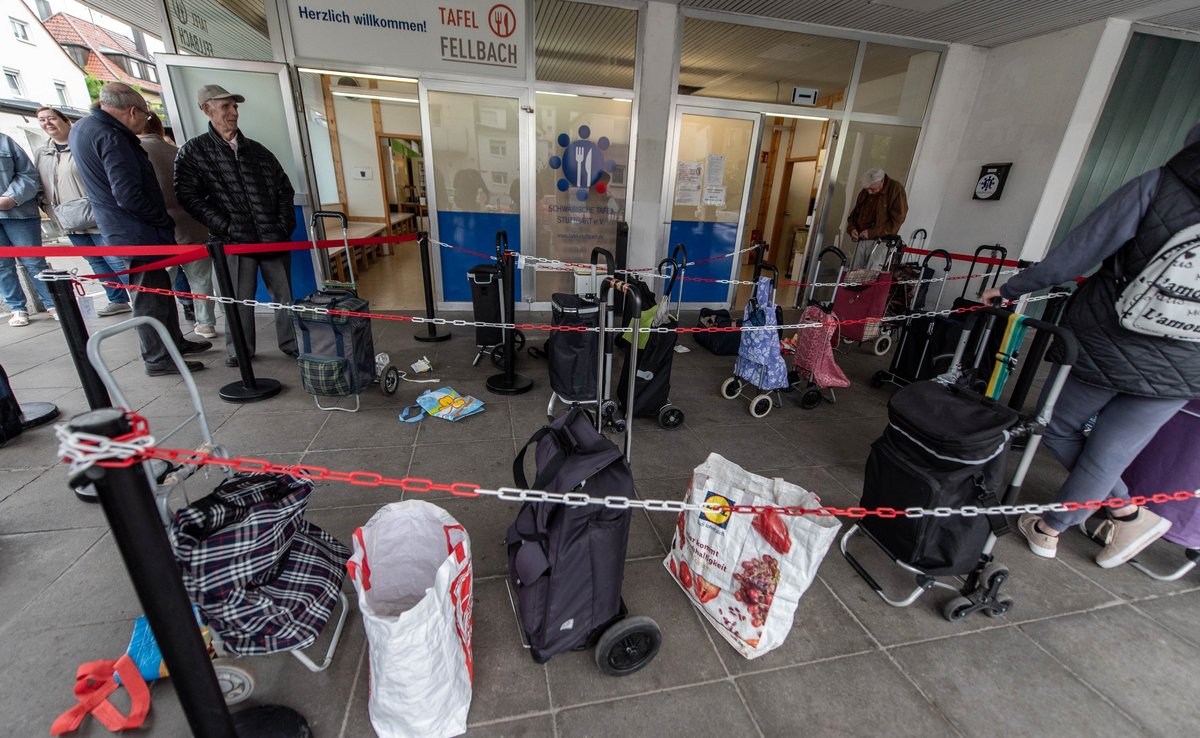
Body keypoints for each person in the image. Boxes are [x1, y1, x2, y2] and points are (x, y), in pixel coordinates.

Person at [982, 121, 1200, 570]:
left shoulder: (1161, 186)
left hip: (1108, 344)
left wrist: (1012, 288)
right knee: (1111, 450)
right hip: (1187, 363)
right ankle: (1061, 528)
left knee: (1056, 423)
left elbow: (1081, 249)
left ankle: (1116, 513)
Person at [69, 83, 210, 376]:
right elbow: (128, 195)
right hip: (137, 231)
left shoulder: (84, 128)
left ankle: (173, 343)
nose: (144, 123)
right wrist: (161, 220)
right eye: (145, 116)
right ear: (133, 111)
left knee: (159, 290)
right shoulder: (113, 137)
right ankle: (159, 357)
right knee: (150, 295)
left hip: (124, 229)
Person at [175, 84, 298, 368]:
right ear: (206, 109)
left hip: (272, 237)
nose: (233, 112)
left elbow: (284, 190)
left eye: (235, 107)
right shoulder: (194, 152)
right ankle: (240, 350)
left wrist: (282, 226)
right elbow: (189, 197)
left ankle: (291, 343)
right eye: (226, 106)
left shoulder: (258, 151)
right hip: (233, 241)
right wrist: (226, 227)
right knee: (238, 299)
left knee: (285, 297)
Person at [34, 107, 131, 317]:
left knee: (116, 259)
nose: (47, 123)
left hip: (96, 215)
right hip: (67, 219)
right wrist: (47, 206)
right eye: (42, 120)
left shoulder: (82, 145)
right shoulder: (42, 153)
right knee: (95, 261)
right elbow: (40, 183)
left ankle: (142, 297)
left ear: (65, 120)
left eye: (52, 118)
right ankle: (117, 299)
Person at [139, 111, 217, 340]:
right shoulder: (180, 152)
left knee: (162, 284)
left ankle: (164, 328)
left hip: (162, 230)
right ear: (160, 130)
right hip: (194, 227)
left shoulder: (137, 154)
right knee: (201, 280)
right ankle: (206, 324)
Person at [0, 132, 58, 327]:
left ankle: (53, 303)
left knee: (34, 261)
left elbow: (28, 174)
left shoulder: (5, 142)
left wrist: (11, 198)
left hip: (19, 212)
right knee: (1, 266)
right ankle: (17, 307)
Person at [846, 167, 908, 270]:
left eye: (872, 189)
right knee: (853, 274)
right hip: (862, 239)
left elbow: (897, 220)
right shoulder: (866, 191)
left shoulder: (896, 189)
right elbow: (854, 215)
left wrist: (872, 232)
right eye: (867, 189)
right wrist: (852, 229)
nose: (869, 192)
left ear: (882, 181)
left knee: (871, 275)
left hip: (881, 241)